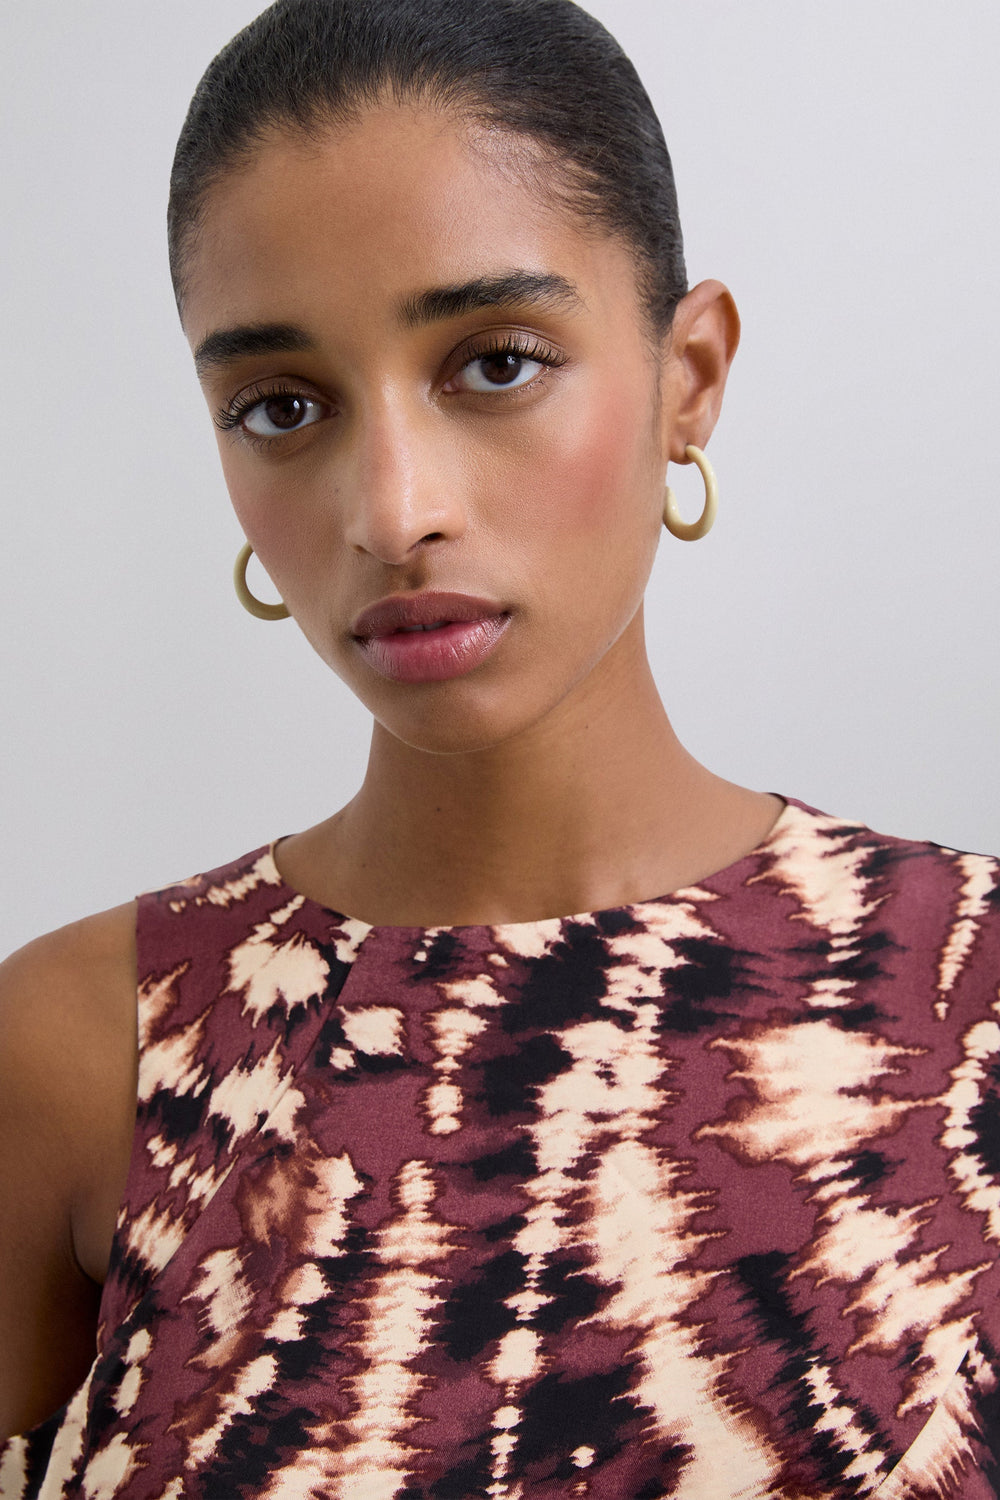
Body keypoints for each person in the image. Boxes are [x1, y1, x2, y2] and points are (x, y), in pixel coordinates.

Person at [0, 0, 997, 1495]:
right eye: (282, 405)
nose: (391, 509)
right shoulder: (85, 1050)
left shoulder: (974, 995)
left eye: (497, 362)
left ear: (690, 375)